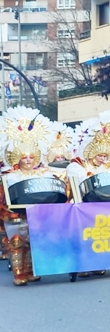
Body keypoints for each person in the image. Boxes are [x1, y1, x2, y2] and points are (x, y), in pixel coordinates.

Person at [0, 107, 64, 285]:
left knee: (32, 243)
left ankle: (30, 271)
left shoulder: (42, 174)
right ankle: (18, 274)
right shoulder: (9, 175)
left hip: (35, 214)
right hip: (16, 214)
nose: (28, 161)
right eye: (24, 158)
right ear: (17, 159)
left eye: (30, 158)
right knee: (16, 243)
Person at [66, 110, 110, 194]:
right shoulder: (78, 166)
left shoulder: (107, 168)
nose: (103, 159)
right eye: (100, 156)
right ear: (92, 155)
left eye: (105, 156)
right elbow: (84, 187)